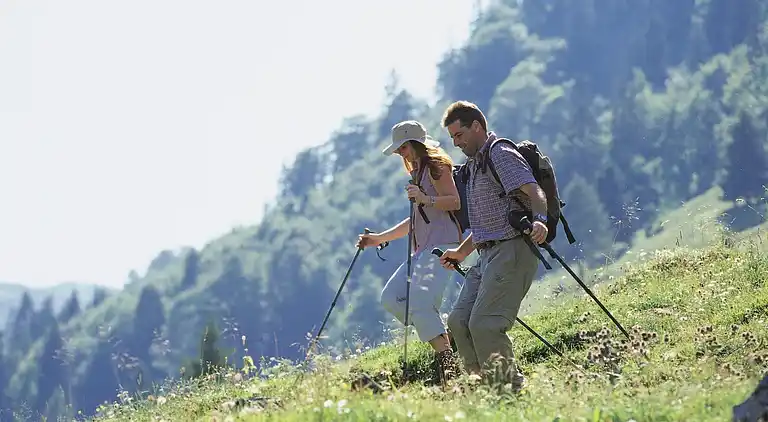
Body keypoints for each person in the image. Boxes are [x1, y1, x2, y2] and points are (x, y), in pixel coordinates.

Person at [437, 100, 549, 390]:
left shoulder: (500, 153)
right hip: (487, 255)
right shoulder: (475, 165)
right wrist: (460, 253)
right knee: (459, 322)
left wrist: (539, 220)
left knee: (485, 324)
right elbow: (486, 222)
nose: (456, 143)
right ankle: (485, 386)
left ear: (477, 127)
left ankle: (508, 389)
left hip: (512, 250)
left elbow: (533, 190)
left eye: (459, 135)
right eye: (452, 138)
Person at [357, 120, 464, 384]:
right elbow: (415, 220)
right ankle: (446, 340)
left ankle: (448, 366)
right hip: (422, 249)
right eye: (398, 150)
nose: (399, 154)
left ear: (414, 144)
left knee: (419, 304)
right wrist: (379, 238)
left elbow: (454, 201)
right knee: (391, 298)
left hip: (444, 244)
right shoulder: (416, 173)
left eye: (402, 148)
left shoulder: (438, 168)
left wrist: (424, 198)